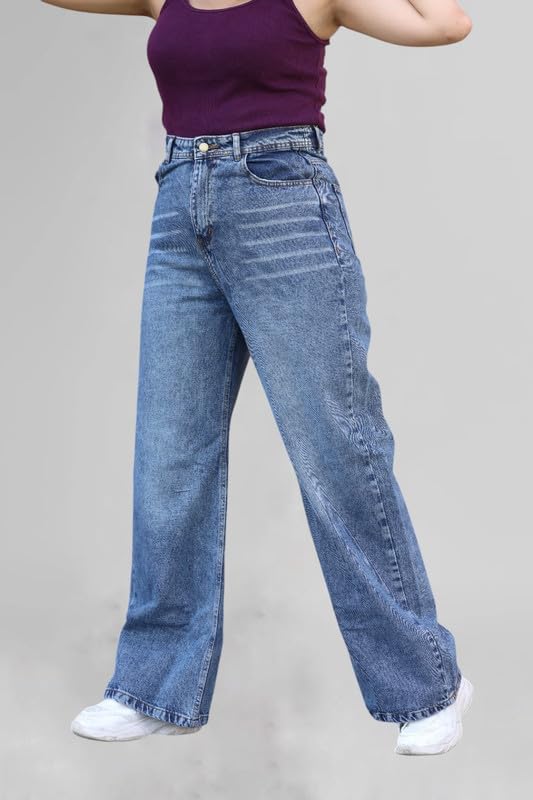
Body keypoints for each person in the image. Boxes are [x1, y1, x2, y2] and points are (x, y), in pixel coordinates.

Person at [42, 0, 473, 755]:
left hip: (282, 201)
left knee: (335, 451)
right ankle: (153, 686)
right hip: (179, 207)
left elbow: (446, 23)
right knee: (169, 456)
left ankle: (427, 685)